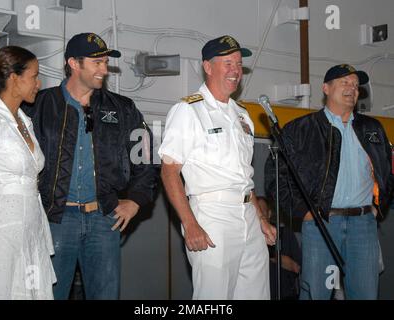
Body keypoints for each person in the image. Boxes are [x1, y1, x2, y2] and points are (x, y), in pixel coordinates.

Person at [22, 33, 158, 300]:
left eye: (105, 62)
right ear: (74, 63)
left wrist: (136, 200)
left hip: (103, 220)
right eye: (97, 63)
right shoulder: (39, 105)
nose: (104, 70)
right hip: (54, 220)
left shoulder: (123, 108)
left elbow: (147, 158)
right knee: (48, 295)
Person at [158, 35, 276, 300]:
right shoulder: (188, 110)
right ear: (208, 67)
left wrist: (261, 218)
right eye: (228, 63)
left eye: (238, 63)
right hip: (212, 215)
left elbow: (245, 177)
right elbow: (169, 171)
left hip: (248, 215)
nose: (235, 70)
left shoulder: (243, 115)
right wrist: (190, 224)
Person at [265, 64, 394, 300]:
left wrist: (377, 207)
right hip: (321, 223)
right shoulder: (301, 129)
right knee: (316, 293)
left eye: (355, 85)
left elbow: (388, 171)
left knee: (366, 294)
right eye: (344, 82)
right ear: (326, 88)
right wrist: (304, 212)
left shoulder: (372, 128)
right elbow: (277, 177)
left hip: (363, 225)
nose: (352, 89)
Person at [0, 46, 56, 299]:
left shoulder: (25, 121)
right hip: (1, 231)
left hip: (32, 229)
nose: (39, 83)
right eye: (34, 76)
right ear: (14, 78)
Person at [257, 197, 301, 300]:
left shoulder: (285, 234)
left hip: (284, 294)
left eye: (261, 212)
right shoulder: (245, 238)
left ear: (269, 214)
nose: (258, 216)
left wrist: (272, 255)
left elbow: (296, 268)